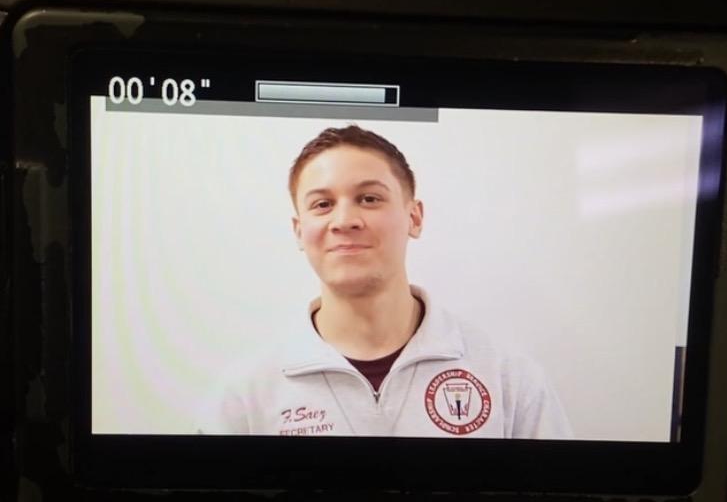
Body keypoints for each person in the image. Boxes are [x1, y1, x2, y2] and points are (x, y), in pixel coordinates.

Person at [201, 124, 572, 438]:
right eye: (322, 204)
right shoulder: (245, 395)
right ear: (299, 231)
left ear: (414, 217)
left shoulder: (510, 380)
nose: (344, 221)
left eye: (369, 198)